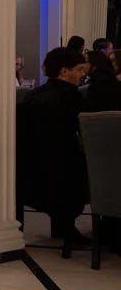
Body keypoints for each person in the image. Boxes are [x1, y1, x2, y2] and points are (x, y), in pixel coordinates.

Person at [17, 48, 90, 244]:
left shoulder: (32, 95)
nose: (82, 74)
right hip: (63, 175)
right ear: (64, 71)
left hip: (30, 173)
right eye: (79, 69)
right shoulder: (72, 97)